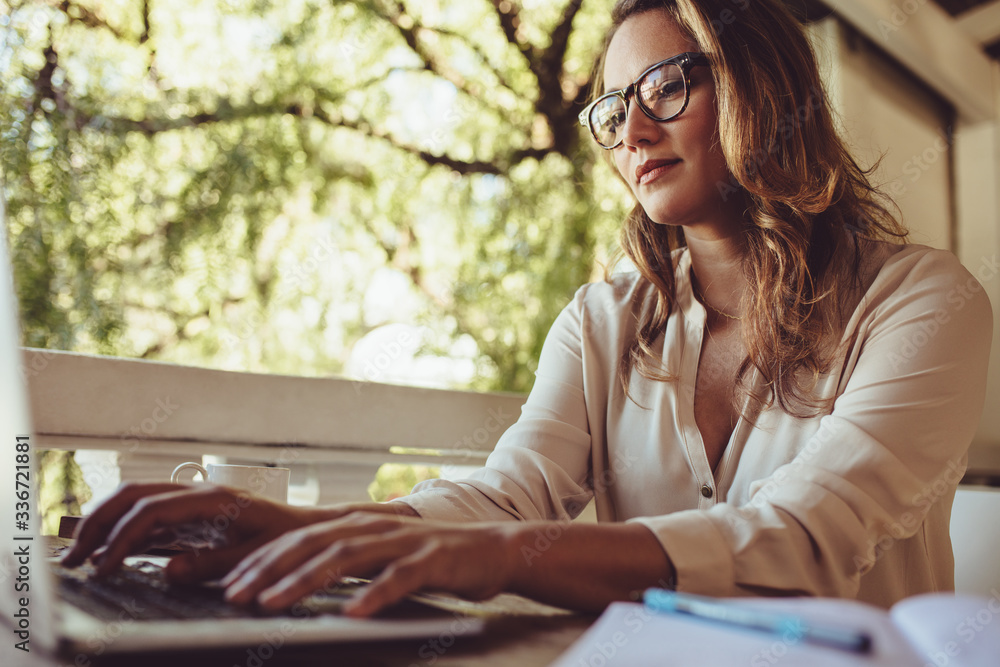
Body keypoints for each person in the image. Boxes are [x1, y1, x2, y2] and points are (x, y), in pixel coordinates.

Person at [63, 0, 993, 617]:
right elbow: (505, 497)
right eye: (614, 106)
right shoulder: (601, 324)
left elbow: (806, 538)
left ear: (762, 84)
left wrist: (509, 556)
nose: (631, 130)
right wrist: (293, 524)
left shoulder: (923, 303)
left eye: (668, 85)